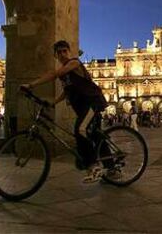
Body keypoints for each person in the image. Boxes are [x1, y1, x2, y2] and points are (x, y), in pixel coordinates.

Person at [21, 40, 111, 183]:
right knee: (95, 136)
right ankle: (112, 169)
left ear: (69, 52)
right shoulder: (66, 75)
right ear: (56, 55)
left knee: (80, 130)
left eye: (64, 51)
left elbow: (54, 74)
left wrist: (31, 85)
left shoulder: (74, 63)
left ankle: (94, 167)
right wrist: (53, 102)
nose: (62, 54)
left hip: (92, 102)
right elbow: (66, 92)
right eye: (59, 52)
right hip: (82, 108)